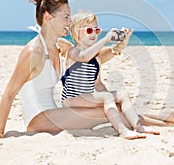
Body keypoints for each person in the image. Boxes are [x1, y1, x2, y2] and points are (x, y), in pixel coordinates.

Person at [0, 0, 174, 142]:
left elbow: (91, 56)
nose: (69, 23)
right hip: (39, 119)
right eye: (66, 17)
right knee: (111, 111)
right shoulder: (34, 51)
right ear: (49, 18)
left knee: (114, 106)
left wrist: (118, 46)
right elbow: (9, 92)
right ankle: (173, 121)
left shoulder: (59, 44)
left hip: (55, 111)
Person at [61, 11, 161, 139]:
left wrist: (114, 100)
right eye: (89, 30)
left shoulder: (96, 59)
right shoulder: (73, 52)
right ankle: (123, 131)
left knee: (122, 94)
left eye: (97, 30)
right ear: (75, 32)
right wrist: (105, 39)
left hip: (87, 97)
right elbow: (84, 57)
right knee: (106, 97)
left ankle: (138, 126)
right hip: (71, 99)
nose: (94, 34)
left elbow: (98, 84)